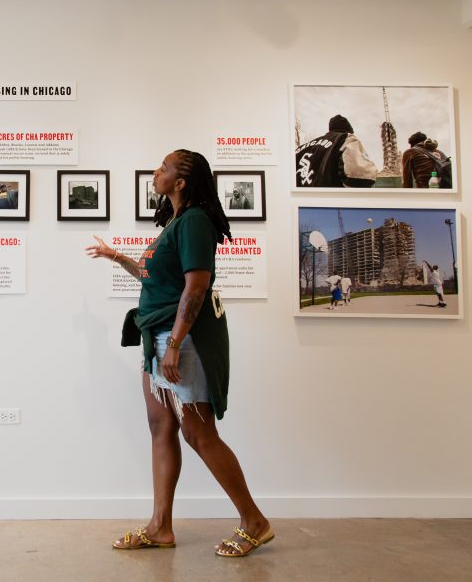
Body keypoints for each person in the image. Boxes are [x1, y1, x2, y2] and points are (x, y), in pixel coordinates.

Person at [85, 149, 273, 558]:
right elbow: (154, 276)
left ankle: (254, 521)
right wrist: (116, 256)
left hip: (180, 338)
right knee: (160, 426)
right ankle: (160, 527)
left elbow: (196, 288)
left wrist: (172, 345)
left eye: (163, 168)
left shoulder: (195, 222)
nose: (157, 172)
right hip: (156, 334)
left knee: (198, 432)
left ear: (181, 181)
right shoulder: (174, 222)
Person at [295, 114, 377, 187]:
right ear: (348, 130)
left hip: (300, 201)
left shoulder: (301, 149)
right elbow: (361, 177)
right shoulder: (344, 138)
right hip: (330, 201)